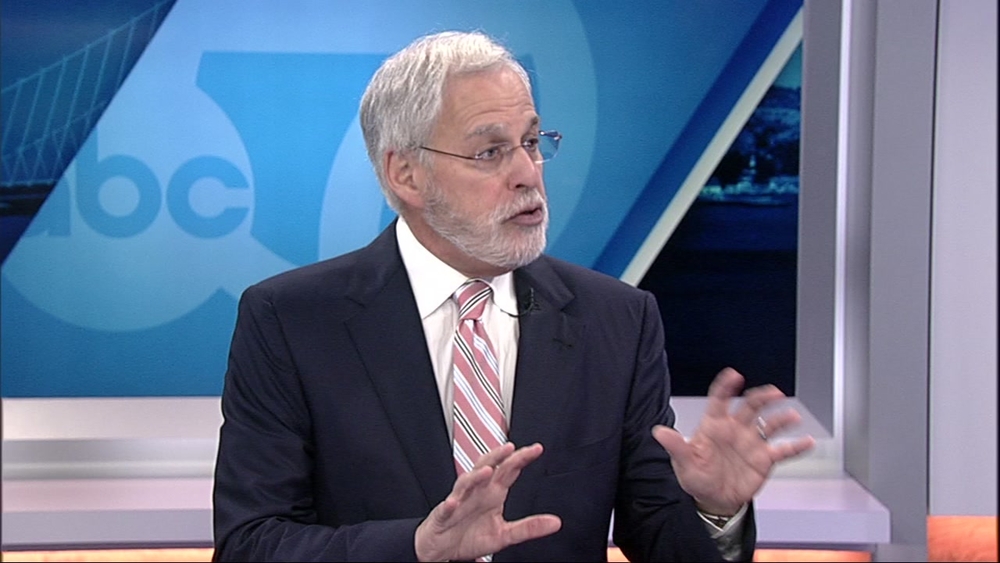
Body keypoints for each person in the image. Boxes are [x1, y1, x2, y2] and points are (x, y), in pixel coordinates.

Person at [211, 30, 814, 562]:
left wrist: (713, 510)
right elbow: (251, 544)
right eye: (490, 151)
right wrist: (416, 546)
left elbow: (658, 534)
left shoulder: (618, 319)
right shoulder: (290, 321)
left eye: (531, 141)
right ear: (405, 174)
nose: (528, 173)